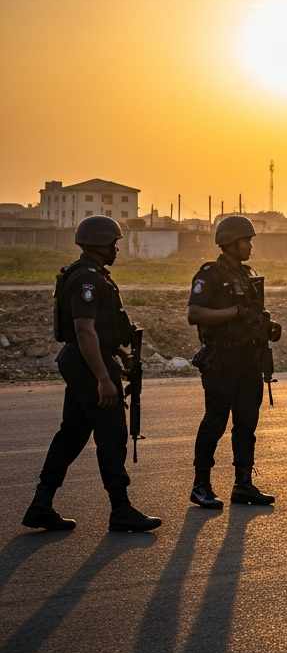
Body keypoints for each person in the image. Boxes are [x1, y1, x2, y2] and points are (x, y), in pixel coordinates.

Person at [21, 216, 161, 533]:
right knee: (111, 435)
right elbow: (84, 330)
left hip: (85, 360)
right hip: (88, 364)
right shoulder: (88, 279)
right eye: (114, 244)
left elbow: (99, 330)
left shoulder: (91, 275)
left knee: (71, 434)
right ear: (101, 245)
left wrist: (120, 355)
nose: (117, 249)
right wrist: (103, 378)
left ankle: (41, 505)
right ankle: (121, 510)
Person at [188, 215, 280, 508]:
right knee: (215, 422)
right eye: (246, 241)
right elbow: (195, 314)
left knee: (246, 424)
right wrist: (233, 313)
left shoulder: (247, 274)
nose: (250, 246)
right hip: (221, 360)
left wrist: (267, 325)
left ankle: (243, 484)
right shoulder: (210, 274)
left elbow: (252, 313)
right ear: (230, 243)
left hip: (248, 360)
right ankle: (201, 485)